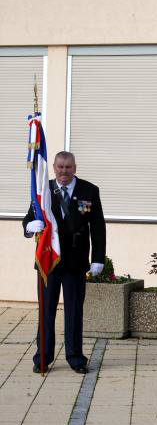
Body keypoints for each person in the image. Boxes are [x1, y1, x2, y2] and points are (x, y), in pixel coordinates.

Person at [23, 151, 106, 374]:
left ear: (75, 168)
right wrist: (29, 228)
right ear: (54, 167)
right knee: (46, 311)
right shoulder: (44, 190)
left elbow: (97, 228)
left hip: (76, 261)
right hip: (48, 262)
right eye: (60, 167)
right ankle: (43, 357)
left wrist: (98, 258)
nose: (64, 171)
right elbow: (29, 218)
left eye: (68, 167)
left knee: (74, 312)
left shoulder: (89, 190)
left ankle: (75, 358)